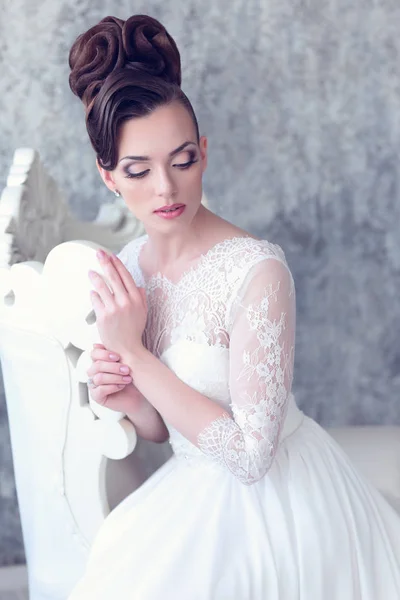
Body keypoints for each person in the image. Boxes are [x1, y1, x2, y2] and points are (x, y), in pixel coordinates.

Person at [67, 14, 400, 600]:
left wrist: (133, 356)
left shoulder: (257, 271)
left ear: (204, 151)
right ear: (108, 176)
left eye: (183, 160)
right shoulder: (129, 263)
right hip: (191, 486)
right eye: (139, 171)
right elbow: (161, 431)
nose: (166, 189)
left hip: (283, 503)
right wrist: (125, 396)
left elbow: (250, 457)